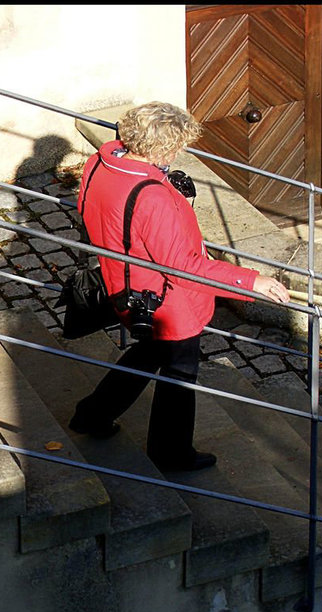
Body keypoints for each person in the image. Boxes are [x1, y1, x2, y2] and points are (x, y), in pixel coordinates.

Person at [68, 102, 291, 471]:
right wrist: (251, 281)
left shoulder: (100, 163)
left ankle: (92, 415)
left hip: (123, 284)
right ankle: (170, 452)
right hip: (166, 304)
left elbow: (98, 211)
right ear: (163, 149)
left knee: (148, 355)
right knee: (180, 373)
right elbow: (183, 267)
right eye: (176, 147)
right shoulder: (151, 196)